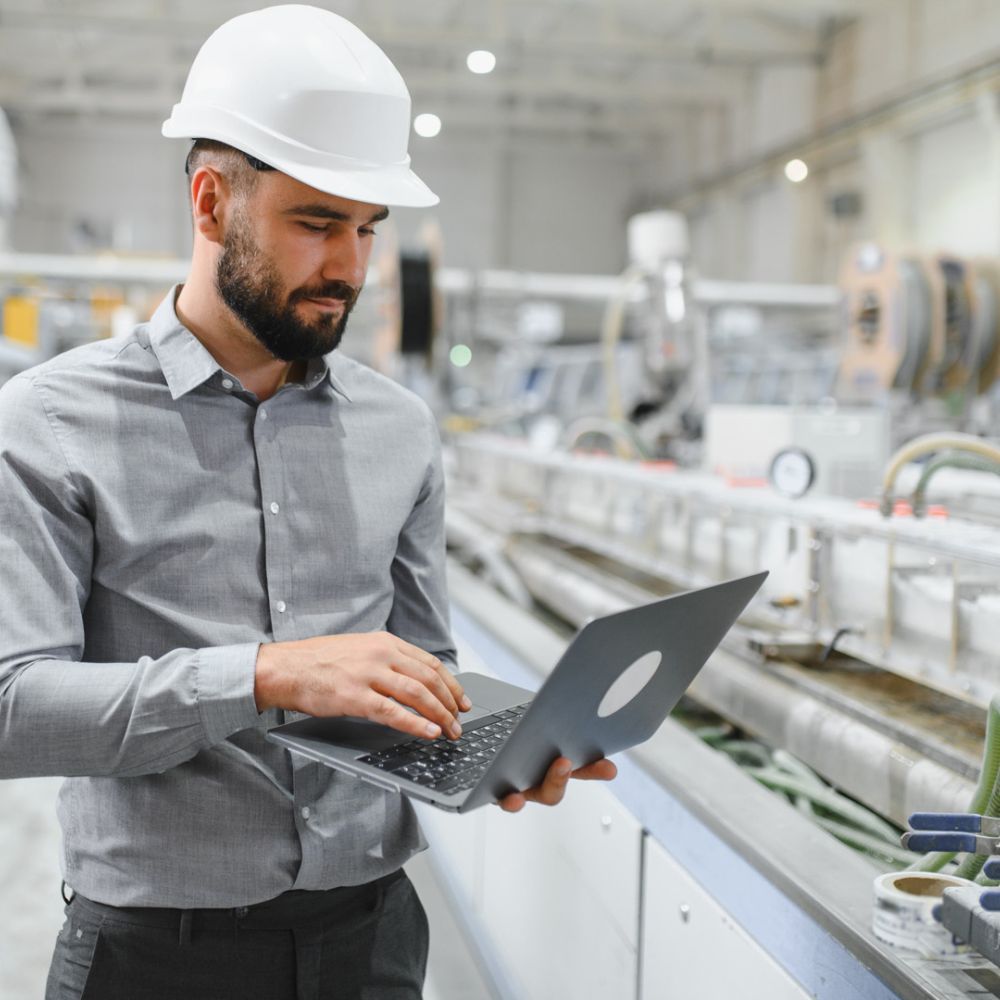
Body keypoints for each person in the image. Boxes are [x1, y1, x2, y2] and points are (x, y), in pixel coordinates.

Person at [0, 7, 616, 999]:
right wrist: (264, 673)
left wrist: (492, 747)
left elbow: (427, 666)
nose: (351, 269)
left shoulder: (400, 429)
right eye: (317, 224)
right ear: (211, 203)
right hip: (158, 955)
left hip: (371, 941)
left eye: (368, 229)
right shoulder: (49, 423)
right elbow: (11, 707)